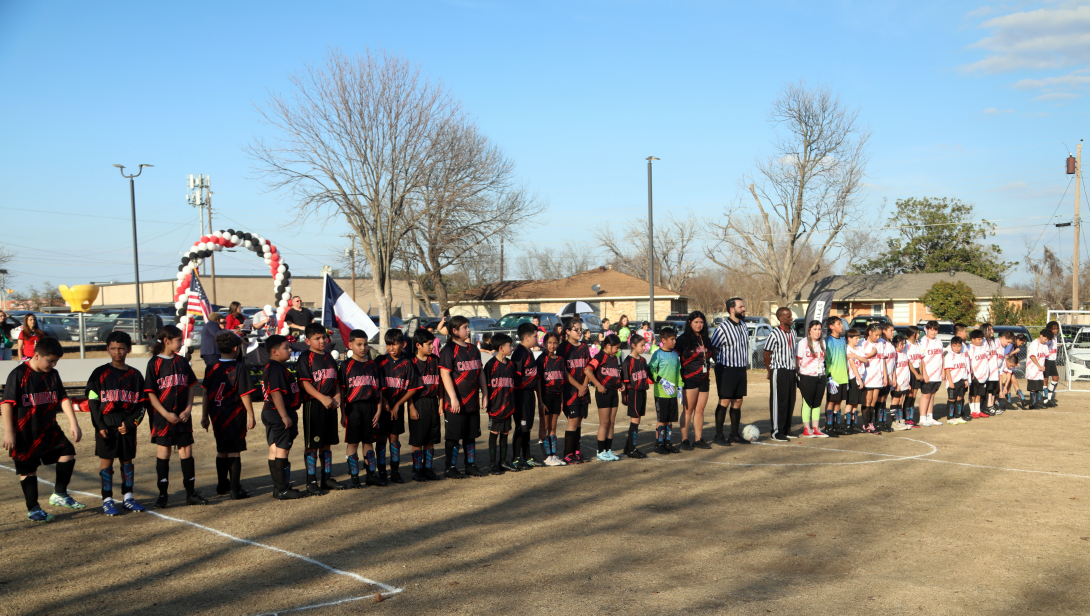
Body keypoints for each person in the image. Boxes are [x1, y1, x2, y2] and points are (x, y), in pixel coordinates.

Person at [2, 337, 84, 522]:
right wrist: (8, 432)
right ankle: (34, 509)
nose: (53, 364)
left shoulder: (53, 374)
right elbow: (6, 404)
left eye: (56, 361)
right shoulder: (18, 374)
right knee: (29, 470)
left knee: (67, 452)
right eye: (50, 360)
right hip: (25, 432)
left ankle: (60, 494)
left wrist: (74, 422)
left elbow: (63, 398)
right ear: (36, 355)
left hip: (48, 429)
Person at [87, 331, 148, 515]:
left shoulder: (135, 375)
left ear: (128, 349)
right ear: (108, 349)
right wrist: (100, 426)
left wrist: (131, 423)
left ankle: (128, 498)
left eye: (121, 348)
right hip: (106, 422)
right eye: (113, 348)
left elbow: (142, 404)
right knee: (106, 462)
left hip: (127, 423)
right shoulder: (99, 373)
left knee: (126, 462)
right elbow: (92, 401)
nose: (117, 352)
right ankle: (107, 500)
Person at [145, 325, 206, 508]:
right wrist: (165, 414)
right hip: (163, 418)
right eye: (178, 340)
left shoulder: (181, 361)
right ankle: (163, 494)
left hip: (182, 417)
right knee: (164, 452)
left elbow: (190, 386)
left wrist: (188, 409)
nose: (181, 343)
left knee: (186, 451)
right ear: (166, 341)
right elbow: (150, 393)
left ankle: (190, 493)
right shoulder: (154, 363)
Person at [200, 332, 256, 499]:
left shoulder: (211, 367)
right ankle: (234, 489)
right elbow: (244, 394)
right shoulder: (238, 367)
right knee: (234, 452)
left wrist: (204, 416)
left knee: (222, 450)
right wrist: (251, 415)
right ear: (235, 348)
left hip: (216, 414)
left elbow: (205, 394)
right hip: (234, 414)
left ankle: (222, 484)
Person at [296, 323, 344, 493]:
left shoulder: (330, 357)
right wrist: (322, 397)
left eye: (323, 337)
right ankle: (311, 481)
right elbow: (304, 383)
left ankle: (327, 478)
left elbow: (336, 381)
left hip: (329, 405)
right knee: (312, 444)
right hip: (314, 404)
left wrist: (337, 395)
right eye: (317, 338)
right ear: (308, 341)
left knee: (327, 443)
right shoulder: (305, 358)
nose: (322, 340)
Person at [439, 315, 487, 478]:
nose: (468, 329)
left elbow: (479, 372)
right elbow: (445, 374)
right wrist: (453, 397)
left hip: (472, 400)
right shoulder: (448, 350)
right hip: (456, 402)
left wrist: (485, 393)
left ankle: (470, 465)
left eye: (468, 326)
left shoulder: (473, 349)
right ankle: (450, 467)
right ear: (454, 330)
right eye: (465, 327)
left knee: (470, 435)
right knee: (453, 437)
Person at [340, 329, 387, 487]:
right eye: (359, 344)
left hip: (371, 407)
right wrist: (342, 413)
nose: (363, 347)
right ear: (350, 344)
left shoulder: (373, 365)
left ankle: (370, 475)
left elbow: (379, 390)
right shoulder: (346, 365)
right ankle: (354, 476)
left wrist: (379, 410)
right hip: (353, 408)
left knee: (369, 442)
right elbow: (341, 391)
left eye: (365, 344)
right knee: (353, 442)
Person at [261, 335, 304, 499]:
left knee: (274, 449)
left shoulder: (273, 367)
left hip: (271, 411)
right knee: (282, 450)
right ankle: (282, 489)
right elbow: (276, 392)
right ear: (275, 351)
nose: (289, 350)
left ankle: (278, 487)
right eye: (286, 347)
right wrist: (284, 416)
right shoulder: (276, 368)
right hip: (278, 412)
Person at [377, 328, 420, 485]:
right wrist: (385, 402)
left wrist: (398, 405)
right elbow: (376, 384)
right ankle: (381, 472)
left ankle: (395, 471)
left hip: (397, 408)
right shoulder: (380, 361)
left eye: (394, 345)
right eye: (388, 345)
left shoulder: (407, 363)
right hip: (381, 408)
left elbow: (413, 387)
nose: (391, 348)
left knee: (394, 440)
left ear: (403, 344)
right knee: (381, 439)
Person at [711, 298, 751, 445]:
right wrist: (719, 363)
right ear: (732, 309)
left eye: (743, 306)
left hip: (740, 369)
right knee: (725, 400)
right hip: (726, 369)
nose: (744, 309)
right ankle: (718, 436)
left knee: (738, 401)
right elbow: (713, 347)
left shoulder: (743, 326)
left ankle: (734, 434)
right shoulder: (723, 327)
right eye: (741, 306)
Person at [409, 329, 443, 482]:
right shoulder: (411, 363)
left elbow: (441, 384)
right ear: (418, 345)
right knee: (418, 439)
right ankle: (417, 469)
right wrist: (411, 407)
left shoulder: (435, 360)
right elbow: (407, 389)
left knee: (431, 438)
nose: (432, 347)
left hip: (433, 402)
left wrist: (440, 403)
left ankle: (428, 468)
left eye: (432, 344)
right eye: (429, 344)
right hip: (418, 402)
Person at [677, 311, 712, 450]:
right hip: (688, 379)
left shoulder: (706, 339)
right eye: (696, 322)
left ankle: (698, 439)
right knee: (688, 410)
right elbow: (676, 359)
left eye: (701, 322)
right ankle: (684, 440)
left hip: (704, 378)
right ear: (690, 323)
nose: (699, 325)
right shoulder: (682, 339)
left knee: (700, 410)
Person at [558, 319, 591, 464]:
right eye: (575, 329)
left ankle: (576, 451)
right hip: (571, 390)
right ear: (567, 331)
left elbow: (588, 368)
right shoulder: (563, 347)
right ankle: (567, 454)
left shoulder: (584, 346)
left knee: (579, 421)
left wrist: (584, 385)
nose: (579, 332)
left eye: (580, 329)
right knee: (572, 420)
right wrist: (578, 386)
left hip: (583, 388)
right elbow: (563, 370)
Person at [484, 333, 518, 475]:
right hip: (495, 406)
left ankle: (503, 462)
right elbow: (485, 385)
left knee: (505, 432)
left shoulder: (511, 365)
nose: (511, 348)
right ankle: (493, 464)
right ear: (501, 348)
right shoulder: (491, 365)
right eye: (509, 345)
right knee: (494, 432)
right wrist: (486, 399)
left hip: (508, 405)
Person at [587, 333, 624, 461]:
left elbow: (614, 374)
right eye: (616, 348)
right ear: (608, 346)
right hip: (603, 393)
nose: (618, 350)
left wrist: (620, 384)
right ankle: (600, 451)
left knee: (612, 422)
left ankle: (608, 450)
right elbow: (587, 370)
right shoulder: (600, 356)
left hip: (613, 392)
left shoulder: (614, 358)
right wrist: (598, 385)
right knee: (604, 422)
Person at [510, 323, 541, 469]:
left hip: (529, 394)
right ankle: (516, 458)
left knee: (527, 426)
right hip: (520, 395)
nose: (537, 338)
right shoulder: (519, 353)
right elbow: (515, 378)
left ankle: (527, 456)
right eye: (535, 336)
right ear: (527, 337)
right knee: (521, 426)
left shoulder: (529, 352)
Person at [764, 307, 797, 441]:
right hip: (779, 370)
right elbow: (766, 354)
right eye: (788, 317)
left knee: (790, 400)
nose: (791, 319)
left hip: (791, 370)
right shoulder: (774, 334)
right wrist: (770, 370)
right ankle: (776, 431)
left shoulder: (793, 333)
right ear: (781, 318)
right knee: (779, 401)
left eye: (791, 316)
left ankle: (786, 429)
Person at [649, 327, 683, 454]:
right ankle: (658, 444)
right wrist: (660, 380)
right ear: (663, 340)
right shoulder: (657, 354)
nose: (674, 342)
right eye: (672, 339)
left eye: (675, 339)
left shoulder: (675, 354)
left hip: (672, 393)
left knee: (670, 420)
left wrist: (680, 386)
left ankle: (668, 443)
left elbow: (678, 371)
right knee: (662, 420)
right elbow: (650, 370)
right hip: (661, 393)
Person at [536, 331, 566, 466]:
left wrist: (561, 400)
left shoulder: (560, 360)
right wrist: (540, 401)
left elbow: (562, 380)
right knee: (545, 425)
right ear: (544, 343)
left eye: (555, 343)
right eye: (549, 343)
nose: (552, 345)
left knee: (553, 427)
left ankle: (553, 455)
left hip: (557, 396)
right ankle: (546, 456)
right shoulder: (541, 360)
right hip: (546, 397)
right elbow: (538, 382)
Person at [621, 334, 652, 458]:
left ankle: (628, 448)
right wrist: (624, 396)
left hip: (641, 391)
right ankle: (632, 449)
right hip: (633, 392)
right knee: (635, 420)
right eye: (641, 345)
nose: (644, 347)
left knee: (637, 420)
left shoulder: (643, 360)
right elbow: (625, 382)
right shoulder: (627, 362)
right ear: (633, 345)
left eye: (644, 345)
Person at [796, 320, 827, 438]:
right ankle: (806, 429)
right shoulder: (803, 343)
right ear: (809, 330)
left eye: (819, 329)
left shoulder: (822, 342)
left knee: (817, 403)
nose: (817, 332)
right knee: (807, 402)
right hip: (806, 376)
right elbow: (797, 361)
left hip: (820, 376)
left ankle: (815, 428)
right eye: (815, 329)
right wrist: (798, 375)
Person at [859, 324, 887, 434]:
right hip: (867, 375)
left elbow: (883, 360)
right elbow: (860, 359)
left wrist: (884, 375)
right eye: (876, 335)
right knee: (867, 400)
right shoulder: (862, 343)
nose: (878, 337)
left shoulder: (880, 343)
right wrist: (871, 354)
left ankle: (871, 424)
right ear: (870, 332)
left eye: (880, 335)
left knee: (874, 402)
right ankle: (866, 424)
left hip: (878, 376)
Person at [917, 321, 946, 427]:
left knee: (932, 394)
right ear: (927, 329)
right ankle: (922, 418)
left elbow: (942, 356)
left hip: (937, 373)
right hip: (928, 372)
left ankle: (930, 416)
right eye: (931, 329)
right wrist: (924, 373)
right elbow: (921, 359)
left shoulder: (939, 341)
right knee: (926, 395)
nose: (933, 332)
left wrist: (943, 370)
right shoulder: (923, 341)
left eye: (936, 330)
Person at [823, 315, 848, 437]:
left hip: (843, 377)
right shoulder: (828, 341)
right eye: (838, 323)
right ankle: (828, 426)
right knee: (831, 401)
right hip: (834, 378)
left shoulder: (843, 340)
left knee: (839, 401)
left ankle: (837, 425)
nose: (841, 326)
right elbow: (827, 360)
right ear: (831, 326)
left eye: (841, 323)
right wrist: (829, 377)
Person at [844, 329, 867, 434]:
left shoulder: (859, 349)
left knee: (856, 403)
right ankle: (847, 424)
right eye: (856, 338)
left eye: (859, 337)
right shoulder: (847, 349)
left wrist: (857, 356)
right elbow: (852, 365)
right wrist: (858, 379)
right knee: (850, 402)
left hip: (860, 377)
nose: (858, 340)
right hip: (853, 378)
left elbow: (865, 360)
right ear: (849, 338)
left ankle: (854, 424)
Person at [944, 337, 969, 425]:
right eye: (954, 346)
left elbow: (964, 368)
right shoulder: (949, 356)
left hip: (961, 380)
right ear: (951, 346)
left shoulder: (962, 355)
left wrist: (965, 379)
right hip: (953, 381)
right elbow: (947, 369)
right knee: (952, 399)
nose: (957, 348)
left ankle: (958, 416)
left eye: (959, 346)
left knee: (960, 398)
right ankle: (950, 417)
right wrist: (950, 382)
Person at [890, 335, 913, 431]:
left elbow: (906, 369)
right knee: (895, 400)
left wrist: (908, 382)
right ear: (895, 343)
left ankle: (899, 420)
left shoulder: (904, 353)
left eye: (904, 343)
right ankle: (894, 421)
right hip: (897, 383)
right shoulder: (894, 354)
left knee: (900, 401)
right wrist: (896, 383)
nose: (903, 345)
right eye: (901, 343)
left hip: (904, 382)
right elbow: (893, 369)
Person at [1026, 329, 1052, 409]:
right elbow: (1032, 356)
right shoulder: (1034, 344)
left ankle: (1039, 402)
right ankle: (1032, 403)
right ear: (1041, 336)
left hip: (1040, 370)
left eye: (1047, 340)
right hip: (1033, 369)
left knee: (1039, 387)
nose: (1046, 341)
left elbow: (1044, 356)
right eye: (1045, 339)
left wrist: (1043, 366)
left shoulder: (1045, 345)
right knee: (1033, 387)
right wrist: (1039, 366)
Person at [1043, 321, 1060, 407]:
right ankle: (1045, 399)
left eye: (1056, 328)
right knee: (1045, 379)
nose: (1056, 330)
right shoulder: (1048, 339)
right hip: (1047, 360)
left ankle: (1049, 396)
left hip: (1052, 361)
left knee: (1056, 378)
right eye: (1053, 329)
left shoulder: (1055, 338)